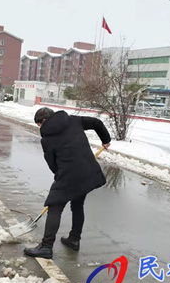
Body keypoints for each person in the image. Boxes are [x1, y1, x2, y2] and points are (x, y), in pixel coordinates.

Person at [23, 107, 111, 259]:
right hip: (88, 171)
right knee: (77, 204)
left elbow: (52, 163)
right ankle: (74, 239)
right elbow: (97, 122)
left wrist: (60, 176)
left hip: (69, 175)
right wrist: (106, 139)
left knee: (54, 206)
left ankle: (46, 246)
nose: (40, 128)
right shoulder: (74, 121)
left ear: (44, 121)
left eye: (39, 124)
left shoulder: (47, 138)